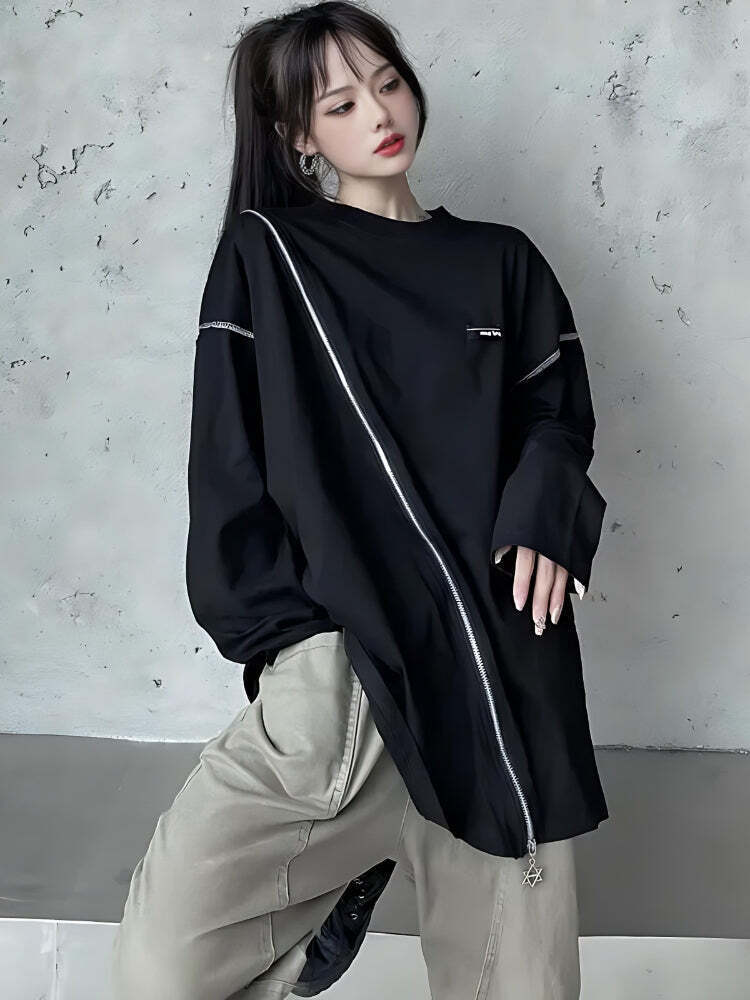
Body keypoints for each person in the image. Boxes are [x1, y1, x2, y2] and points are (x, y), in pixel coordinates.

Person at [111, 2, 609, 997]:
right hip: (342, 682)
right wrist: (294, 653)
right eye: (340, 103)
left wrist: (546, 517)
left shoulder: (501, 261)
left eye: (387, 83)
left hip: (498, 683)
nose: (379, 113)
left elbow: (555, 419)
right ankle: (327, 903)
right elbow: (229, 465)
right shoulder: (270, 255)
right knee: (163, 970)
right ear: (297, 135)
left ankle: (355, 878)